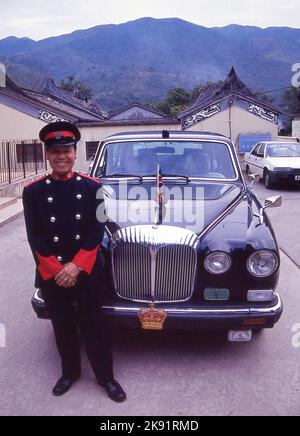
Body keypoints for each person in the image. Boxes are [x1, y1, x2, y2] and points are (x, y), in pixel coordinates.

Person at [22, 121, 126, 402]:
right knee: (63, 325)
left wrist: (77, 265)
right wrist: (58, 270)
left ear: (75, 152)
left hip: (87, 270)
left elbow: (97, 229)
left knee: (95, 327)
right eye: (55, 151)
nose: (61, 156)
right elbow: (37, 237)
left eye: (66, 150)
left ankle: (106, 377)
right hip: (53, 273)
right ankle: (70, 373)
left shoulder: (95, 187)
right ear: (47, 154)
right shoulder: (33, 192)